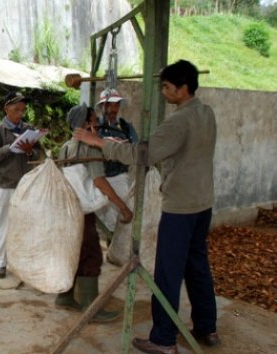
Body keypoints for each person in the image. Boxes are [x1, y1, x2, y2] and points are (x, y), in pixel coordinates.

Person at [74, 60, 219, 354]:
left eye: (166, 88)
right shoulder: (206, 113)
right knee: (197, 266)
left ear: (182, 89)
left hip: (180, 207)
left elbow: (143, 154)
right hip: (202, 202)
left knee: (168, 271)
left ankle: (164, 340)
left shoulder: (179, 121)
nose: (164, 93)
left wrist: (99, 142)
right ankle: (207, 328)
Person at [54, 103, 132, 322]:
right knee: (91, 255)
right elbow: (99, 182)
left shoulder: (66, 147)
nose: (97, 123)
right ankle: (90, 307)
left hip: (69, 209)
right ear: (86, 124)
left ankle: (65, 296)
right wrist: (123, 207)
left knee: (74, 251)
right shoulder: (90, 147)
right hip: (83, 211)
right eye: (94, 120)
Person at [0, 91, 41, 279]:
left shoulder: (28, 128)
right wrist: (10, 147)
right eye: (16, 109)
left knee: (27, 224)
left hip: (26, 185)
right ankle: (1, 263)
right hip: (6, 184)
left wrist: (30, 150)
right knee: (4, 224)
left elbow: (38, 155)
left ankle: (24, 261)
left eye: (23, 110)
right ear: (6, 109)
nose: (20, 113)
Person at [94, 88, 138, 233]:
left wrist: (123, 146)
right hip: (98, 176)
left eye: (116, 105)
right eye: (109, 105)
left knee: (120, 214)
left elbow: (135, 149)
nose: (113, 109)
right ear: (102, 107)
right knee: (99, 216)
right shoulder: (94, 126)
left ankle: (114, 245)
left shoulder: (126, 127)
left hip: (119, 176)